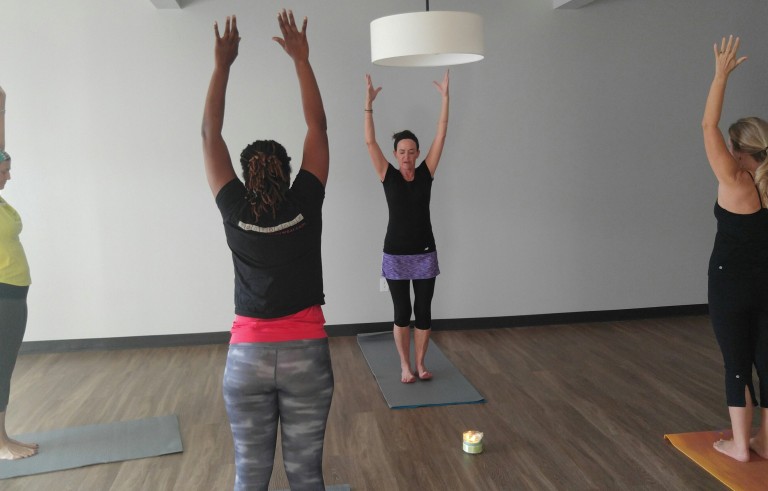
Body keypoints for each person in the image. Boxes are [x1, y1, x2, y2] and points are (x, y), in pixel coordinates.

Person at [201, 11, 332, 490]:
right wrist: (302, 60)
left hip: (246, 359)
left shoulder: (234, 208)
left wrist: (223, 66)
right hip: (307, 356)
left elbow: (208, 135)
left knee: (250, 477)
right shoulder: (305, 202)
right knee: (306, 476)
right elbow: (318, 128)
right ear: (287, 168)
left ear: (246, 174)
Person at [702, 35, 768, 462]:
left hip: (731, 286)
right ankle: (765, 441)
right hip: (767, 283)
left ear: (740, 150)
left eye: (731, 146)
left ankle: (740, 446)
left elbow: (707, 126)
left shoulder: (736, 182)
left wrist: (720, 76)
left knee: (737, 363)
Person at [364, 71, 449, 384]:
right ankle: (404, 366)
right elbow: (370, 141)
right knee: (402, 312)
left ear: (417, 153)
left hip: (425, 252)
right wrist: (368, 105)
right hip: (396, 254)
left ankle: (421, 363)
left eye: (412, 151)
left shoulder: (426, 173)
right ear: (396, 154)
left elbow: (441, 134)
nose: (408, 157)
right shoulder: (388, 175)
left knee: (423, 311)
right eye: (402, 152)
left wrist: (445, 99)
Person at [0, 85, 38, 460]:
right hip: (1, 295)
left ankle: (3, 436)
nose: (9, 176)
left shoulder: (0, 200)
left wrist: (1, 110)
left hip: (13, 294)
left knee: (5, 366)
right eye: (5, 171)